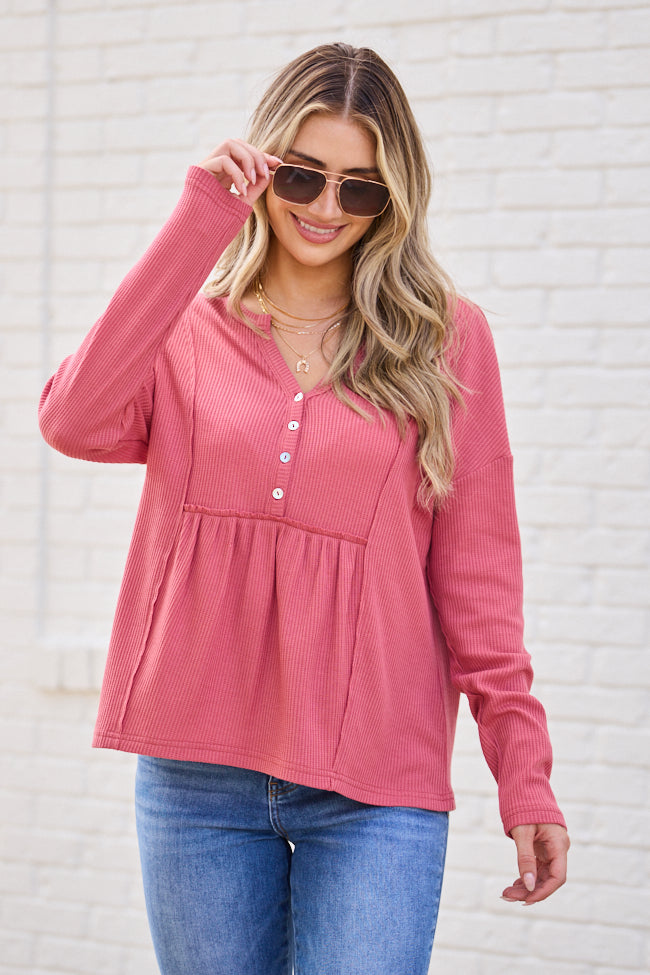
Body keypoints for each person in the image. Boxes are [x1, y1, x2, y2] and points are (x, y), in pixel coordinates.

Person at [39, 42, 569, 975]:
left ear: (392, 198)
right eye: (302, 174)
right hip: (197, 778)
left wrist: (524, 774)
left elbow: (480, 583)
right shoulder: (186, 328)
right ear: (264, 165)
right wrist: (200, 219)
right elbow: (72, 420)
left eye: (360, 187)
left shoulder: (446, 339)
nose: (326, 207)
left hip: (376, 786)